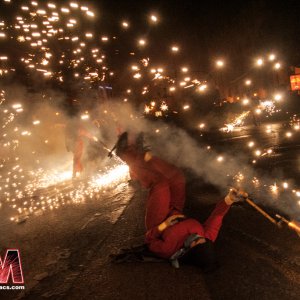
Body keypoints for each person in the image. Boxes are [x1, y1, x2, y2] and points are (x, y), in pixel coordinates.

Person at [145, 188, 247, 272]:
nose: (197, 235)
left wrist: (165, 224)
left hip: (159, 218)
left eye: (196, 240)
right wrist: (229, 199)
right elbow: (217, 216)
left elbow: (149, 239)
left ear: (192, 251)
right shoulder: (206, 238)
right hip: (176, 209)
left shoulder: (167, 249)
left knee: (161, 185)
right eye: (202, 238)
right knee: (176, 178)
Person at [109, 131, 186, 238]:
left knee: (159, 183)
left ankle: (130, 156)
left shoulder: (165, 240)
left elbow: (151, 236)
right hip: (173, 184)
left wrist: (164, 225)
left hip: (166, 185)